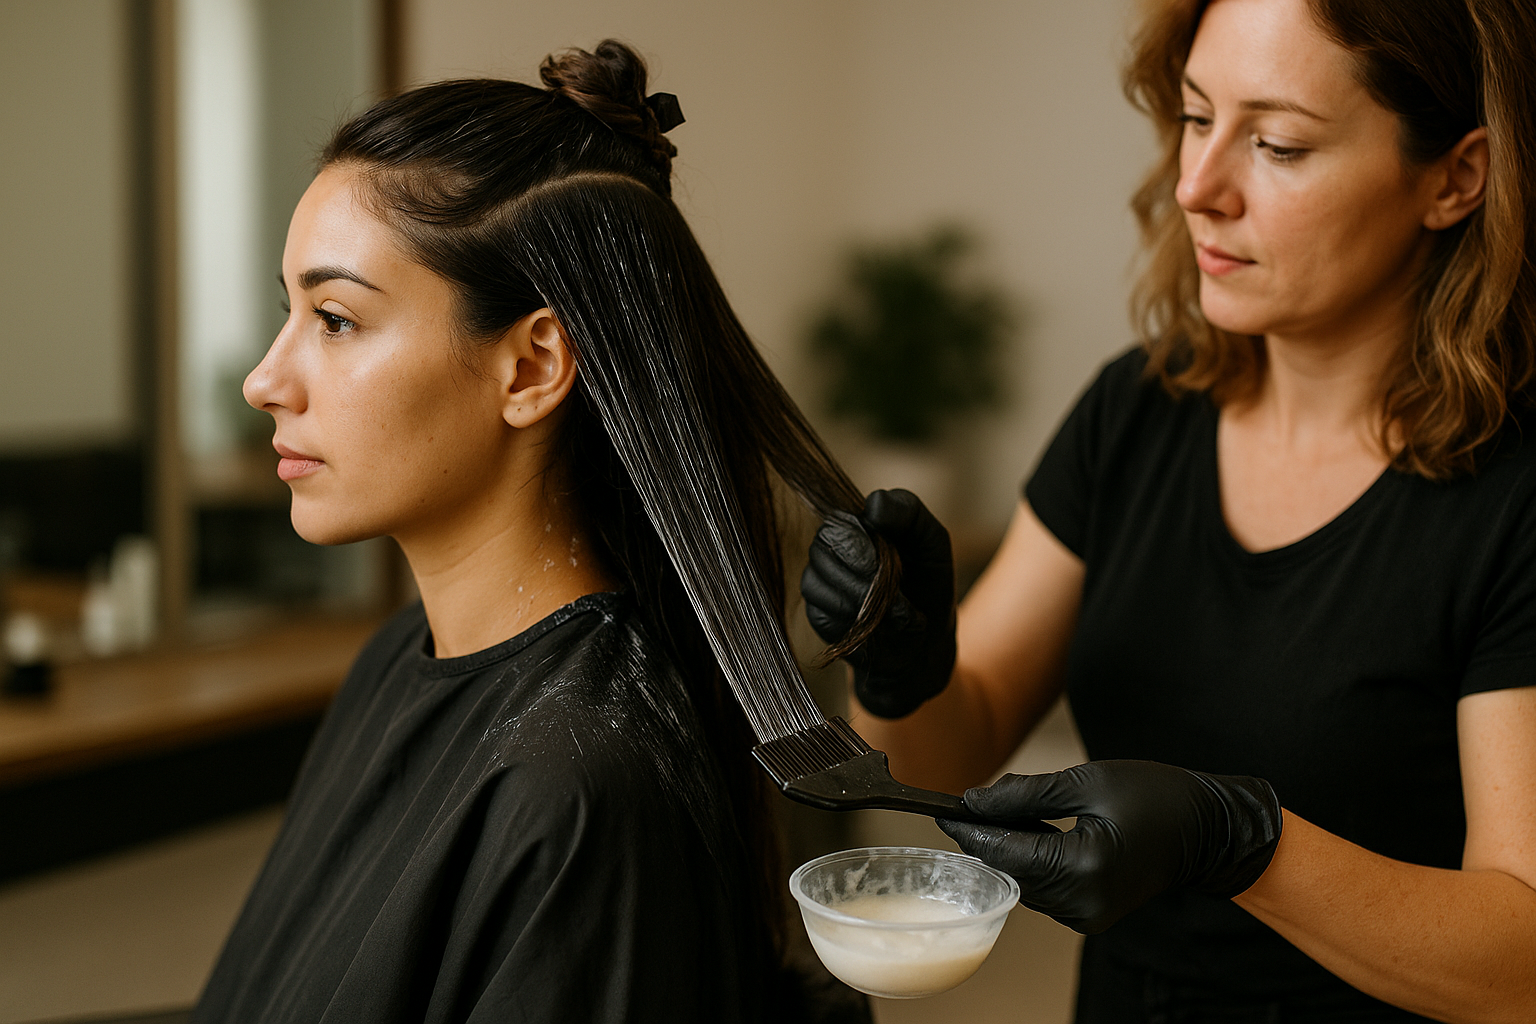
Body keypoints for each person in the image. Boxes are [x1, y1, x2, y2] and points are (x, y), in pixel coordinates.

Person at [802, 0, 1536, 1020]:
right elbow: (945, 756)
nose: (1199, 188)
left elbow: (1524, 956)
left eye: (1278, 144)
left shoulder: (1516, 500)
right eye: (1197, 118)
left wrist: (1243, 841)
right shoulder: (1137, 414)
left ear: (1457, 176)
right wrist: (900, 663)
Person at [193, 41, 883, 1024]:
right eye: (287, 310)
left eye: (336, 319)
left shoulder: (583, 784)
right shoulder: (399, 657)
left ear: (531, 368)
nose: (266, 378)